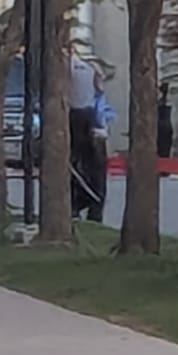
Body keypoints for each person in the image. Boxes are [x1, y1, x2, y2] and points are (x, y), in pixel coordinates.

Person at [67, 42, 106, 221]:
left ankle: (75, 205)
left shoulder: (65, 69)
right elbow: (100, 93)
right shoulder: (91, 67)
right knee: (93, 166)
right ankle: (95, 208)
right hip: (92, 118)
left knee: (74, 163)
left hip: (74, 116)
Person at [156, 82, 174, 158]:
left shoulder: (159, 103)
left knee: (162, 151)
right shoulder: (168, 101)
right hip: (167, 127)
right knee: (166, 151)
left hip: (161, 128)